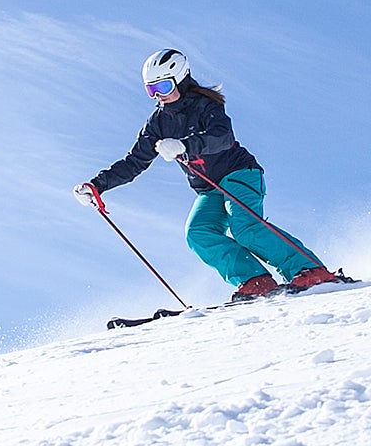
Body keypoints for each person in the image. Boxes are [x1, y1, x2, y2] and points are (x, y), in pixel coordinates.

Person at [76, 49, 341, 299]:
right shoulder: (157, 123)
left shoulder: (204, 105)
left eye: (163, 87)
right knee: (198, 232)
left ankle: (308, 270)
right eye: (151, 89)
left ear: (180, 79)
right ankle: (255, 281)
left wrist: (184, 145)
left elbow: (222, 137)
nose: (158, 95)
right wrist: (97, 186)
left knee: (245, 227)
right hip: (209, 187)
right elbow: (134, 162)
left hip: (239, 173)